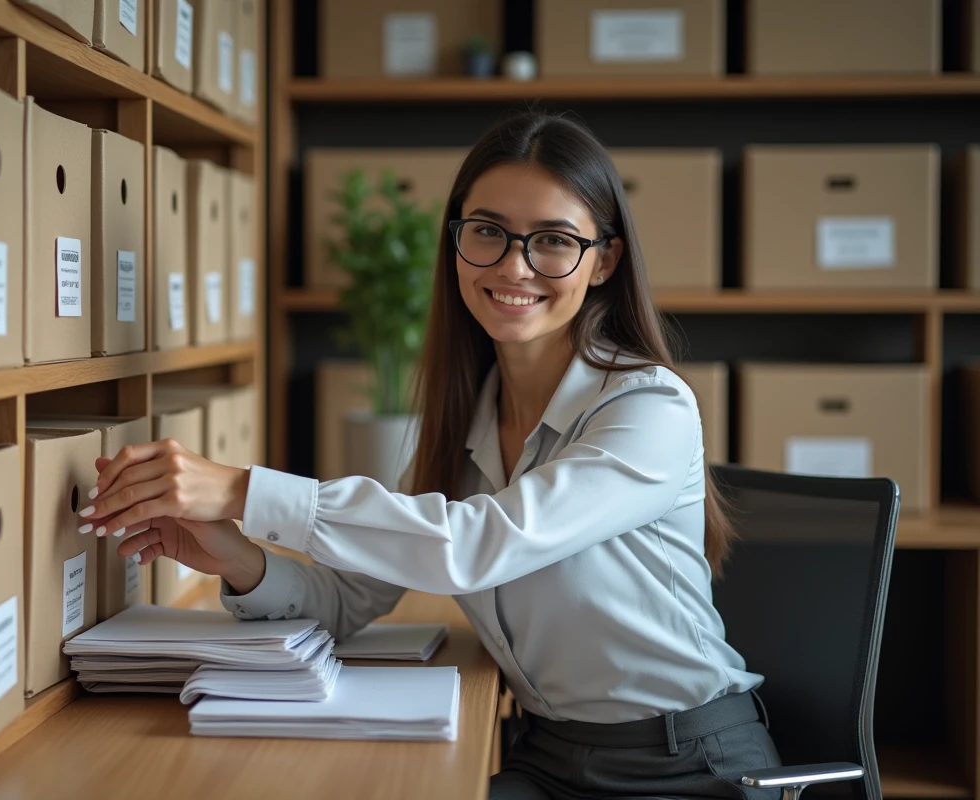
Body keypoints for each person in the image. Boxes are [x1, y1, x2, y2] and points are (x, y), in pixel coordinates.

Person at [79, 111, 782, 799]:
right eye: (488, 232)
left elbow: (477, 545)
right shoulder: (464, 418)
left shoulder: (649, 407)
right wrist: (235, 556)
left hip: (687, 763)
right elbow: (346, 599)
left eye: (553, 241)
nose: (514, 264)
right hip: (547, 755)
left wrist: (242, 491)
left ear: (604, 261)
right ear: (455, 242)